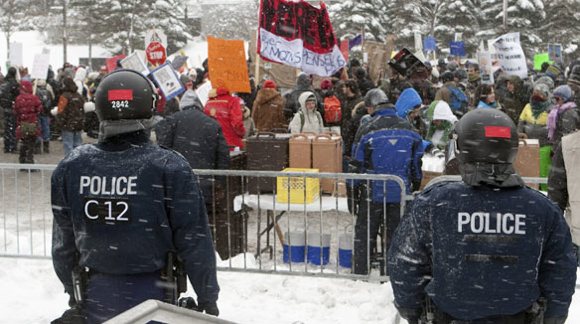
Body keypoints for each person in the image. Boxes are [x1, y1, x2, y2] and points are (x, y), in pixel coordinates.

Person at [51, 69, 220, 323]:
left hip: (97, 294)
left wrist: (71, 289)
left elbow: (63, 242)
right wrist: (207, 297)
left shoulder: (73, 166)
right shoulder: (168, 166)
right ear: (148, 108)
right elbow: (194, 240)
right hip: (155, 299)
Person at [388, 108, 576, 324]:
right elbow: (560, 271)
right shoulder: (541, 209)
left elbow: (406, 261)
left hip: (448, 316)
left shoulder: (435, 202)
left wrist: (413, 309)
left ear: (462, 149)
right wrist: (553, 316)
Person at [350, 89, 423, 275]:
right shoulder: (410, 129)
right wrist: (414, 184)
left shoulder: (366, 129)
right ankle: (392, 273)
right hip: (400, 190)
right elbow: (416, 163)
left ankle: (360, 272)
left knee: (366, 234)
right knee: (396, 235)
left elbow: (356, 165)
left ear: (371, 107)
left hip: (372, 191)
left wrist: (352, 192)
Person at [155, 92, 231, 259]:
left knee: (177, 224)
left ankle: (180, 257)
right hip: (204, 185)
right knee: (203, 224)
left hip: (177, 185)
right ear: (199, 105)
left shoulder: (172, 121)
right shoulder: (212, 124)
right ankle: (201, 256)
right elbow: (223, 156)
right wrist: (219, 183)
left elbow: (161, 151)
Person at [204, 86, 245, 150]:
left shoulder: (208, 102)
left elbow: (205, 124)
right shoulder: (233, 101)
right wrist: (242, 132)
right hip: (230, 143)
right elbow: (237, 123)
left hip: (213, 143)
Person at [13, 80, 43, 168]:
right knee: (31, 143)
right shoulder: (34, 98)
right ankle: (29, 161)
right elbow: (40, 109)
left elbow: (15, 111)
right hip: (32, 123)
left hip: (22, 123)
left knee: (24, 142)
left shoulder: (18, 98)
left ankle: (22, 160)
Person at [56, 77, 85, 156]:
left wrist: (60, 123)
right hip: (78, 123)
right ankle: (78, 162)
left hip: (67, 124)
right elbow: (83, 109)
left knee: (68, 146)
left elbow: (60, 111)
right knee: (78, 145)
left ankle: (69, 164)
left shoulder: (64, 96)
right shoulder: (79, 95)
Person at [547, 85, 578, 149]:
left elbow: (568, 136)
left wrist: (558, 153)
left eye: (557, 99)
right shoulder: (558, 110)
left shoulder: (569, 113)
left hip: (565, 150)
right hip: (559, 147)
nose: (555, 101)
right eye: (554, 99)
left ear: (564, 99)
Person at [1, 67, 20, 153]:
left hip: (4, 107)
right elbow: (17, 96)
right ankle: (12, 147)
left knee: (7, 128)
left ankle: (6, 146)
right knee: (12, 127)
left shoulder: (3, 83)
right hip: (12, 107)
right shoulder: (14, 84)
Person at [34, 78, 55, 153]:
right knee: (46, 128)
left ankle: (38, 147)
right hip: (46, 113)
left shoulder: (35, 92)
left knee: (38, 128)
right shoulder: (48, 92)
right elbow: (52, 100)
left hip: (38, 113)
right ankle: (46, 147)